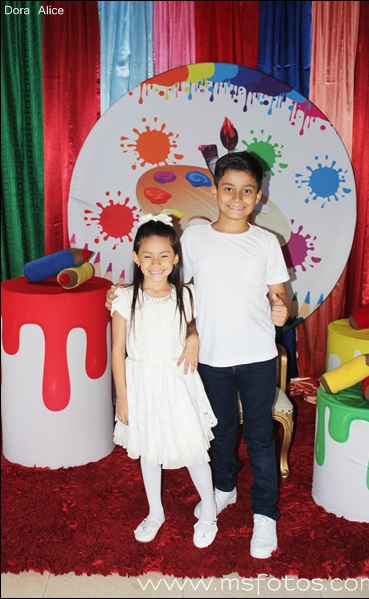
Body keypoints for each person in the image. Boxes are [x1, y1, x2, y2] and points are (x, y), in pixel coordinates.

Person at [107, 151, 290, 559]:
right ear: (215, 191)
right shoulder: (193, 238)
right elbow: (173, 291)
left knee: (259, 436)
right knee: (219, 433)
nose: (237, 198)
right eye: (229, 189)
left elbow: (281, 298)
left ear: (258, 196)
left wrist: (281, 309)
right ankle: (224, 487)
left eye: (247, 191)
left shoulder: (266, 243)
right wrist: (126, 296)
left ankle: (265, 514)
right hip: (208, 359)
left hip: (258, 356)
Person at [110, 212, 218, 549]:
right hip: (141, 384)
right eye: (148, 256)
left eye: (163, 256)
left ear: (175, 258)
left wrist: (193, 335)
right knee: (149, 449)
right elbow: (117, 351)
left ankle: (210, 510)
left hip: (178, 382)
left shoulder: (187, 295)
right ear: (135, 257)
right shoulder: (124, 298)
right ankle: (155, 512)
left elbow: (196, 324)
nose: (156, 264)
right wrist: (122, 398)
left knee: (193, 447)